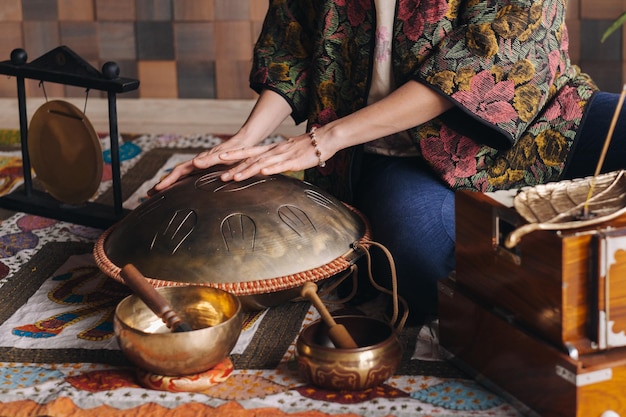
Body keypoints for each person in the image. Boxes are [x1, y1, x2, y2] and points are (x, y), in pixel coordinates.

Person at [154, 0, 626, 325]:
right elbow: (291, 45)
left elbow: (487, 55)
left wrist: (325, 138)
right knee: (424, 265)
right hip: (401, 158)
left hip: (547, 124)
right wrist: (242, 142)